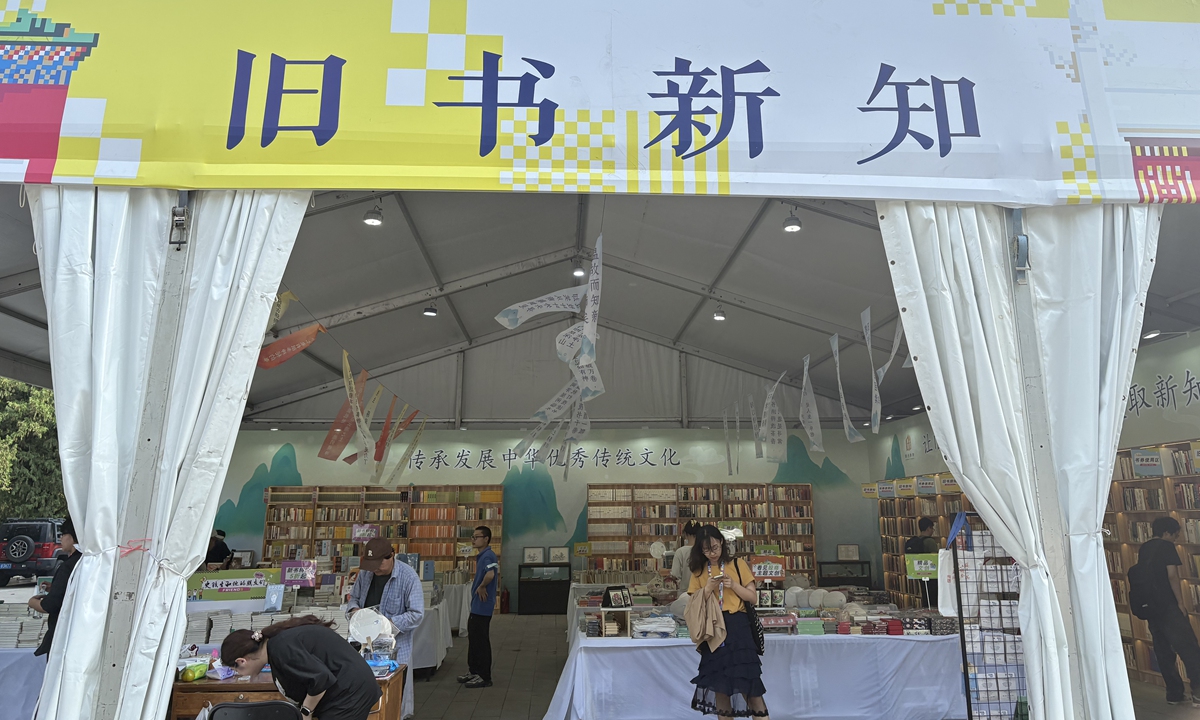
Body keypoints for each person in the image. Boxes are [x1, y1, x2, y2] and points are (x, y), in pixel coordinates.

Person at [222, 615, 380, 720]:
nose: (238, 674)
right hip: (348, 689)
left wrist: (306, 712)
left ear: (242, 661)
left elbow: (320, 678)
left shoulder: (280, 648)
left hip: (350, 692)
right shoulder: (275, 645)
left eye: (235, 669)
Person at [687, 525, 769, 719]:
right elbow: (693, 604)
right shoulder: (698, 571)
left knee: (751, 687)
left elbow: (752, 598)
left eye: (715, 547)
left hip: (739, 627)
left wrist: (734, 585)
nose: (712, 553)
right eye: (706, 550)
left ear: (722, 542)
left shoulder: (739, 564)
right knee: (720, 689)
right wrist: (707, 589)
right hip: (713, 629)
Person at [1134, 517, 1200, 705]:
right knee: (1189, 649)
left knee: (1163, 652)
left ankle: (1174, 694)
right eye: (1175, 535)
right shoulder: (1166, 547)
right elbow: (1172, 576)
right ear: (1166, 533)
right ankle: (1198, 693)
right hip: (1168, 606)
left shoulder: (1144, 548)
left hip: (1151, 608)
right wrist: (1180, 602)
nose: (1176, 539)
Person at [346, 538, 424, 676]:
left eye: (379, 563)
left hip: (394, 650)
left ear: (391, 555)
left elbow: (416, 614)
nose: (374, 568)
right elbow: (354, 598)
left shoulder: (408, 577)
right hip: (364, 645)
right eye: (371, 564)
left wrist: (387, 624)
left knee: (394, 692)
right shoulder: (366, 573)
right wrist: (354, 611)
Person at [29, 518, 81, 657]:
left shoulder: (69, 565)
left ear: (71, 537)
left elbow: (51, 605)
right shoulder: (87, 560)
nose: (61, 539)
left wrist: (34, 603)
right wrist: (54, 588)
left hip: (63, 633)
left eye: (62, 535)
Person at [458, 525, 499, 689]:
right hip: (477, 606)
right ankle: (474, 671)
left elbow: (490, 574)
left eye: (476, 537)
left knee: (480, 641)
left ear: (486, 539)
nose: (473, 540)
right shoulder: (482, 555)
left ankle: (484, 676)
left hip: (483, 606)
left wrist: (481, 586)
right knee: (474, 639)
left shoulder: (488, 555)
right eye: (472, 537)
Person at [904, 518, 940, 609]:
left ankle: (926, 609)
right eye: (932, 529)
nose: (932, 531)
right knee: (934, 595)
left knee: (925, 593)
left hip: (920, 573)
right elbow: (935, 558)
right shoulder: (930, 541)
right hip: (932, 574)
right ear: (928, 528)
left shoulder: (917, 540)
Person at [672, 521, 701, 586]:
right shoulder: (704, 550)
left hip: (684, 591)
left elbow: (675, 575)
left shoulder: (680, 552)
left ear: (685, 534)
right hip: (701, 591)